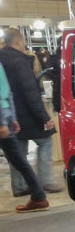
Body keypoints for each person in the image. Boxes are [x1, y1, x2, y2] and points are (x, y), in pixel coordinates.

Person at [0, 28, 63, 197]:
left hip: (11, 114)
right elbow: (30, 92)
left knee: (18, 152)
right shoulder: (19, 61)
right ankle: (45, 180)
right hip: (25, 114)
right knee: (45, 143)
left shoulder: (2, 60)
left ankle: (19, 187)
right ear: (18, 41)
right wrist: (44, 117)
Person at [0, 61, 49, 212]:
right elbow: (6, 92)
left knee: (18, 160)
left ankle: (39, 196)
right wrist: (11, 117)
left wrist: (3, 122)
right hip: (6, 117)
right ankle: (38, 196)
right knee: (19, 160)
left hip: (2, 119)